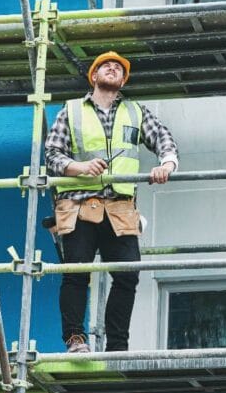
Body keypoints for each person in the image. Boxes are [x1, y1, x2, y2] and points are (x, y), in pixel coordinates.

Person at [44, 51, 179, 353]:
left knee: (127, 275)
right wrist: (80, 167)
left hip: (120, 207)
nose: (113, 68)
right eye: (106, 65)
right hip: (79, 205)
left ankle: (117, 346)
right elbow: (52, 155)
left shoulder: (135, 112)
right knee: (76, 273)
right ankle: (76, 339)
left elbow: (164, 139)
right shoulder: (72, 110)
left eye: (119, 68)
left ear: (123, 81)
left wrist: (167, 165)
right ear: (93, 76)